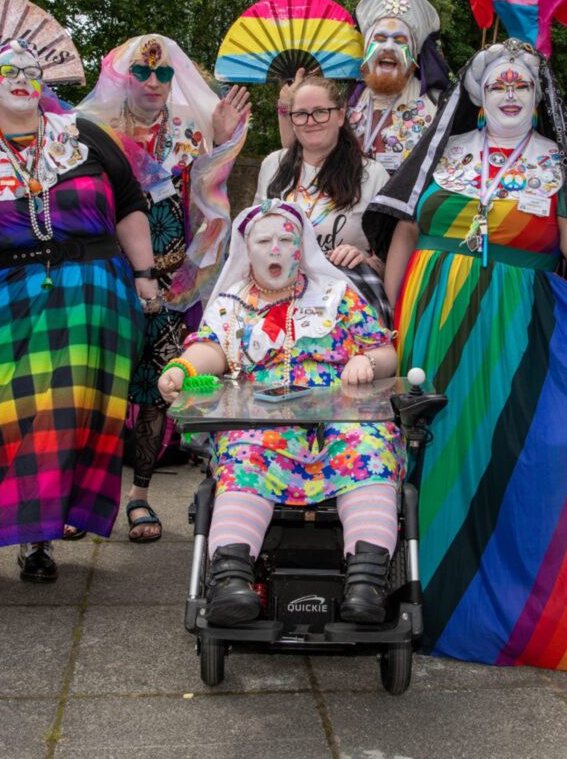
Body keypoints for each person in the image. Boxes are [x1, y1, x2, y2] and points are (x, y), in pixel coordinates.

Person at [367, 39, 567, 671]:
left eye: (522, 85)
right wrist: (391, 317)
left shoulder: (557, 161)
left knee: (499, 452)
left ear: (538, 97)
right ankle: (404, 591)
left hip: (513, 330)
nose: (509, 93)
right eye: (498, 84)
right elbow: (404, 233)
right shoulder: (442, 152)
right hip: (429, 323)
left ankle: (494, 599)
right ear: (477, 96)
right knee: (424, 453)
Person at [0, 40, 158, 589]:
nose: (20, 78)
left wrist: (145, 276)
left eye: (31, 71)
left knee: (57, 425)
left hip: (85, 297)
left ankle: (39, 540)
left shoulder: (84, 137)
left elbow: (130, 204)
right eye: (6, 70)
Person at [157, 200, 400, 626]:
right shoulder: (232, 303)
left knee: (368, 447)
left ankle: (366, 582)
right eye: (263, 240)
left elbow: (383, 351)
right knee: (247, 452)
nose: (275, 249)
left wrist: (370, 363)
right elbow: (211, 347)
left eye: (286, 240)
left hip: (339, 415)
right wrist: (184, 368)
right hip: (261, 420)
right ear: (246, 249)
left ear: (300, 248)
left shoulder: (335, 295)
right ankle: (231, 579)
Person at [77, 34, 249, 544]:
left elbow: (207, 200)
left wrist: (219, 143)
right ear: (121, 77)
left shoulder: (189, 132)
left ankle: (140, 494)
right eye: (143, 73)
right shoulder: (91, 132)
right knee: (99, 386)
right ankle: (86, 496)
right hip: (109, 276)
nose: (154, 82)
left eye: (164, 74)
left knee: (158, 391)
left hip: (172, 283)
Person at [257, 75, 391, 317]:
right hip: (275, 300)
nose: (311, 122)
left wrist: (363, 259)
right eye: (301, 114)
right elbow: (251, 237)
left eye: (321, 112)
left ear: (340, 116)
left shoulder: (373, 175)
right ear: (292, 120)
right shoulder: (272, 166)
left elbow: (387, 263)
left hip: (343, 305)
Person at [280, 0, 443, 174]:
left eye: (399, 41)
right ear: (365, 52)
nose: (388, 47)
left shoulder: (437, 106)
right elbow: (297, 150)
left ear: (415, 55)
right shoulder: (345, 103)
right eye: (380, 39)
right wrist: (289, 104)